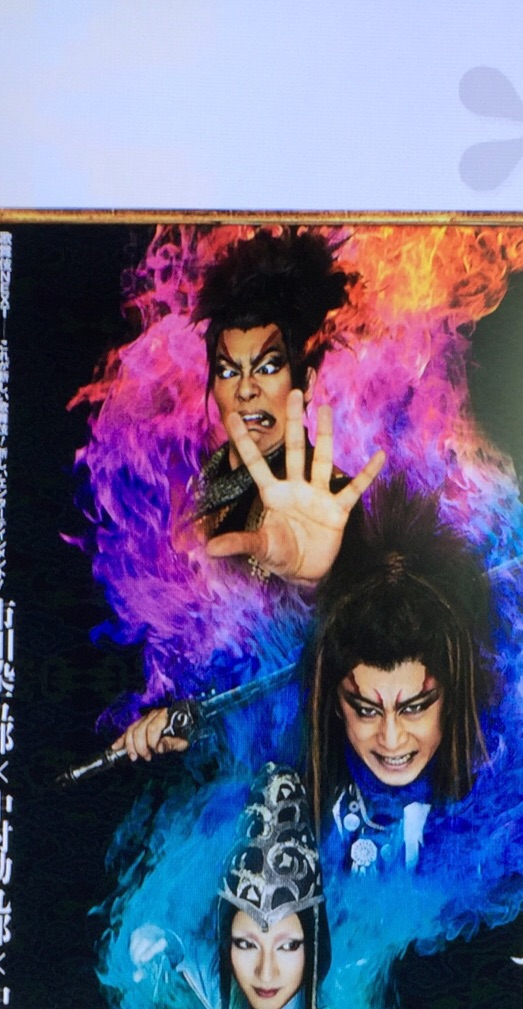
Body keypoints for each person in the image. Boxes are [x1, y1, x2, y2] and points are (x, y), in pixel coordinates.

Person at [113, 230, 385, 762]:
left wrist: (311, 585)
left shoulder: (329, 505)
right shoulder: (190, 494)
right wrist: (161, 717)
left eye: (267, 366)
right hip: (205, 774)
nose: (245, 389)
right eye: (228, 370)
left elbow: (355, 659)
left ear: (305, 380)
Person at [308, 478, 494, 873]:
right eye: (366, 710)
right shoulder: (297, 788)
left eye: (414, 708)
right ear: (335, 703)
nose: (391, 739)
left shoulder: (506, 805)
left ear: (451, 697)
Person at [213, 765, 395, 1009]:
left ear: (312, 945)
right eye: (246, 944)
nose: (265, 972)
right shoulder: (226, 1003)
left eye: (287, 945)